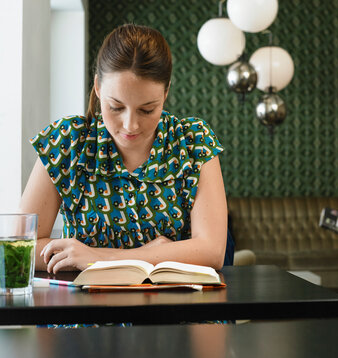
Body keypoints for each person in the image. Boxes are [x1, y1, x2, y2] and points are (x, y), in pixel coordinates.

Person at [20, 24, 228, 274]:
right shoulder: (67, 141)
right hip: (86, 308)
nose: (130, 125)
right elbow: (23, 246)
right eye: (116, 107)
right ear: (97, 87)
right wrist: (149, 254)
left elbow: (212, 251)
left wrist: (98, 257)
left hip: (177, 307)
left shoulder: (193, 141)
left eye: (147, 109)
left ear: (166, 92)